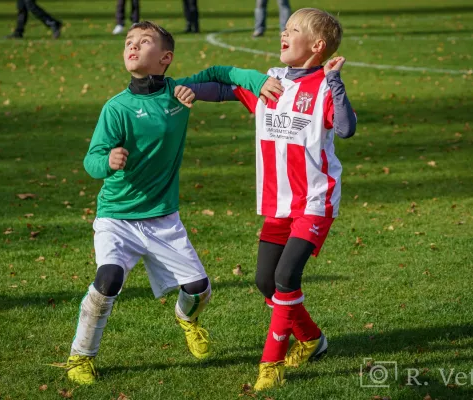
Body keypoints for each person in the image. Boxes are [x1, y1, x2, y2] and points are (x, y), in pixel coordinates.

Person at [55, 21, 283, 385]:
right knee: (108, 278)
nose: (132, 46)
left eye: (144, 42)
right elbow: (91, 160)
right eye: (129, 41)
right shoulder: (116, 108)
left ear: (165, 58)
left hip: (163, 219)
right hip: (117, 216)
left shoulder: (180, 94)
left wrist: (257, 82)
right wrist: (108, 161)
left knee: (199, 290)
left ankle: (187, 318)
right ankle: (79, 357)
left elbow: (223, 75)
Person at [176, 7, 356, 391]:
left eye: (292, 30)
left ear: (317, 46)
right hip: (278, 204)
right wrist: (183, 87)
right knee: (265, 283)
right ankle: (312, 340)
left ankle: (270, 365)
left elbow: (345, 128)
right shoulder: (270, 82)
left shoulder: (323, 87)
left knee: (286, 276)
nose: (282, 34)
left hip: (313, 202)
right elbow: (222, 84)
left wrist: (336, 83)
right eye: (284, 28)